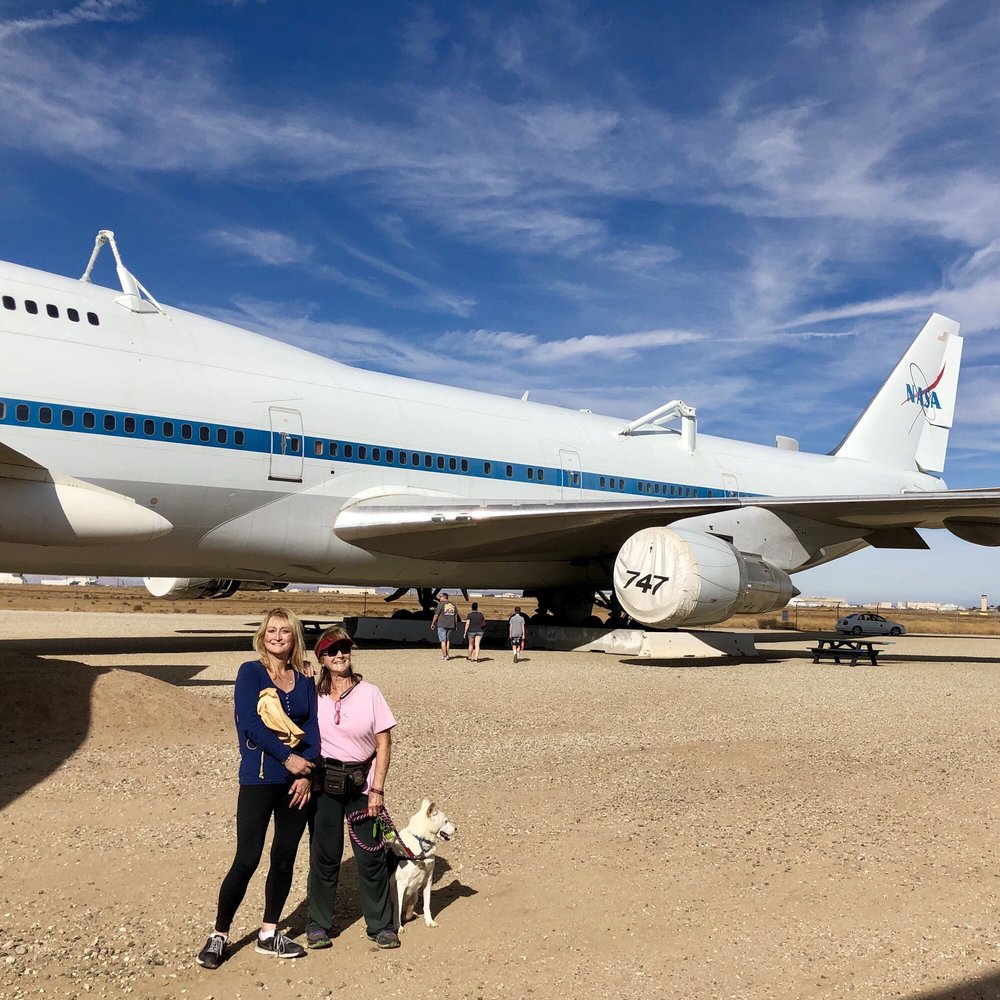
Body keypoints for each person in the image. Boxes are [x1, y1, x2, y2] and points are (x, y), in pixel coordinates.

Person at [197, 608, 319, 970]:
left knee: (284, 857)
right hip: (259, 778)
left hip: (297, 784)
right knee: (247, 858)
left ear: (294, 637)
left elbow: (314, 728)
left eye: (285, 631)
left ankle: (269, 932)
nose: (277, 636)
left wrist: (307, 771)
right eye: (271, 631)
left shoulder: (304, 678)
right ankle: (219, 934)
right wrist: (288, 758)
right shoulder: (250, 672)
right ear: (262, 636)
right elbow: (249, 723)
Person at [306, 626, 400, 951]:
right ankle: (318, 925)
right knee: (325, 856)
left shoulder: (370, 693)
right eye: (331, 651)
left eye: (344, 649)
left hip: (362, 785)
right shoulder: (312, 694)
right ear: (321, 658)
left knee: (370, 856)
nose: (339, 655)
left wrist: (378, 789)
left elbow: (384, 744)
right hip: (324, 784)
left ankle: (381, 925)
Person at [430, 592, 460, 660]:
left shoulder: (441, 604)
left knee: (443, 641)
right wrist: (455, 625)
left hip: (442, 624)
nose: (439, 598)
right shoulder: (453, 604)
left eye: (440, 597)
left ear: (444, 597)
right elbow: (455, 616)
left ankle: (444, 655)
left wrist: (433, 623)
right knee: (448, 640)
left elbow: (436, 615)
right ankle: (447, 654)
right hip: (451, 625)